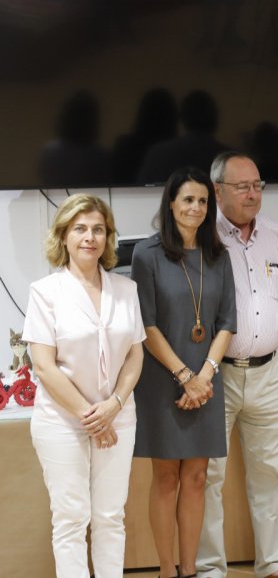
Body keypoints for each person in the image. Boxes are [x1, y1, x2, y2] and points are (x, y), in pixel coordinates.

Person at [196, 152, 278, 578]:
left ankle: (272, 564)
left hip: (271, 373)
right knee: (209, 477)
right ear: (217, 191)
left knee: (269, 476)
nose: (252, 194)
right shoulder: (201, 236)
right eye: (241, 186)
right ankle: (210, 568)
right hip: (216, 376)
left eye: (257, 185)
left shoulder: (275, 236)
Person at [24, 193, 145, 578]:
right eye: (79, 229)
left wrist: (114, 404)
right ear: (63, 236)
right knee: (71, 518)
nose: (89, 237)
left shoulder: (126, 290)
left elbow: (135, 356)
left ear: (108, 237)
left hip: (118, 417)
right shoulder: (45, 292)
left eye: (98, 229)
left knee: (110, 516)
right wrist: (90, 417)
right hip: (63, 421)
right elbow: (44, 366)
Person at [132, 168, 237, 578]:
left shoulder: (219, 255)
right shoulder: (147, 254)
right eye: (188, 199)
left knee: (196, 477)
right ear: (171, 203)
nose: (195, 208)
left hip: (206, 380)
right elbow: (146, 325)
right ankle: (165, 570)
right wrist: (184, 377)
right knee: (166, 478)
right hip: (162, 379)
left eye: (202, 201)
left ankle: (189, 569)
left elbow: (226, 322)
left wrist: (204, 376)